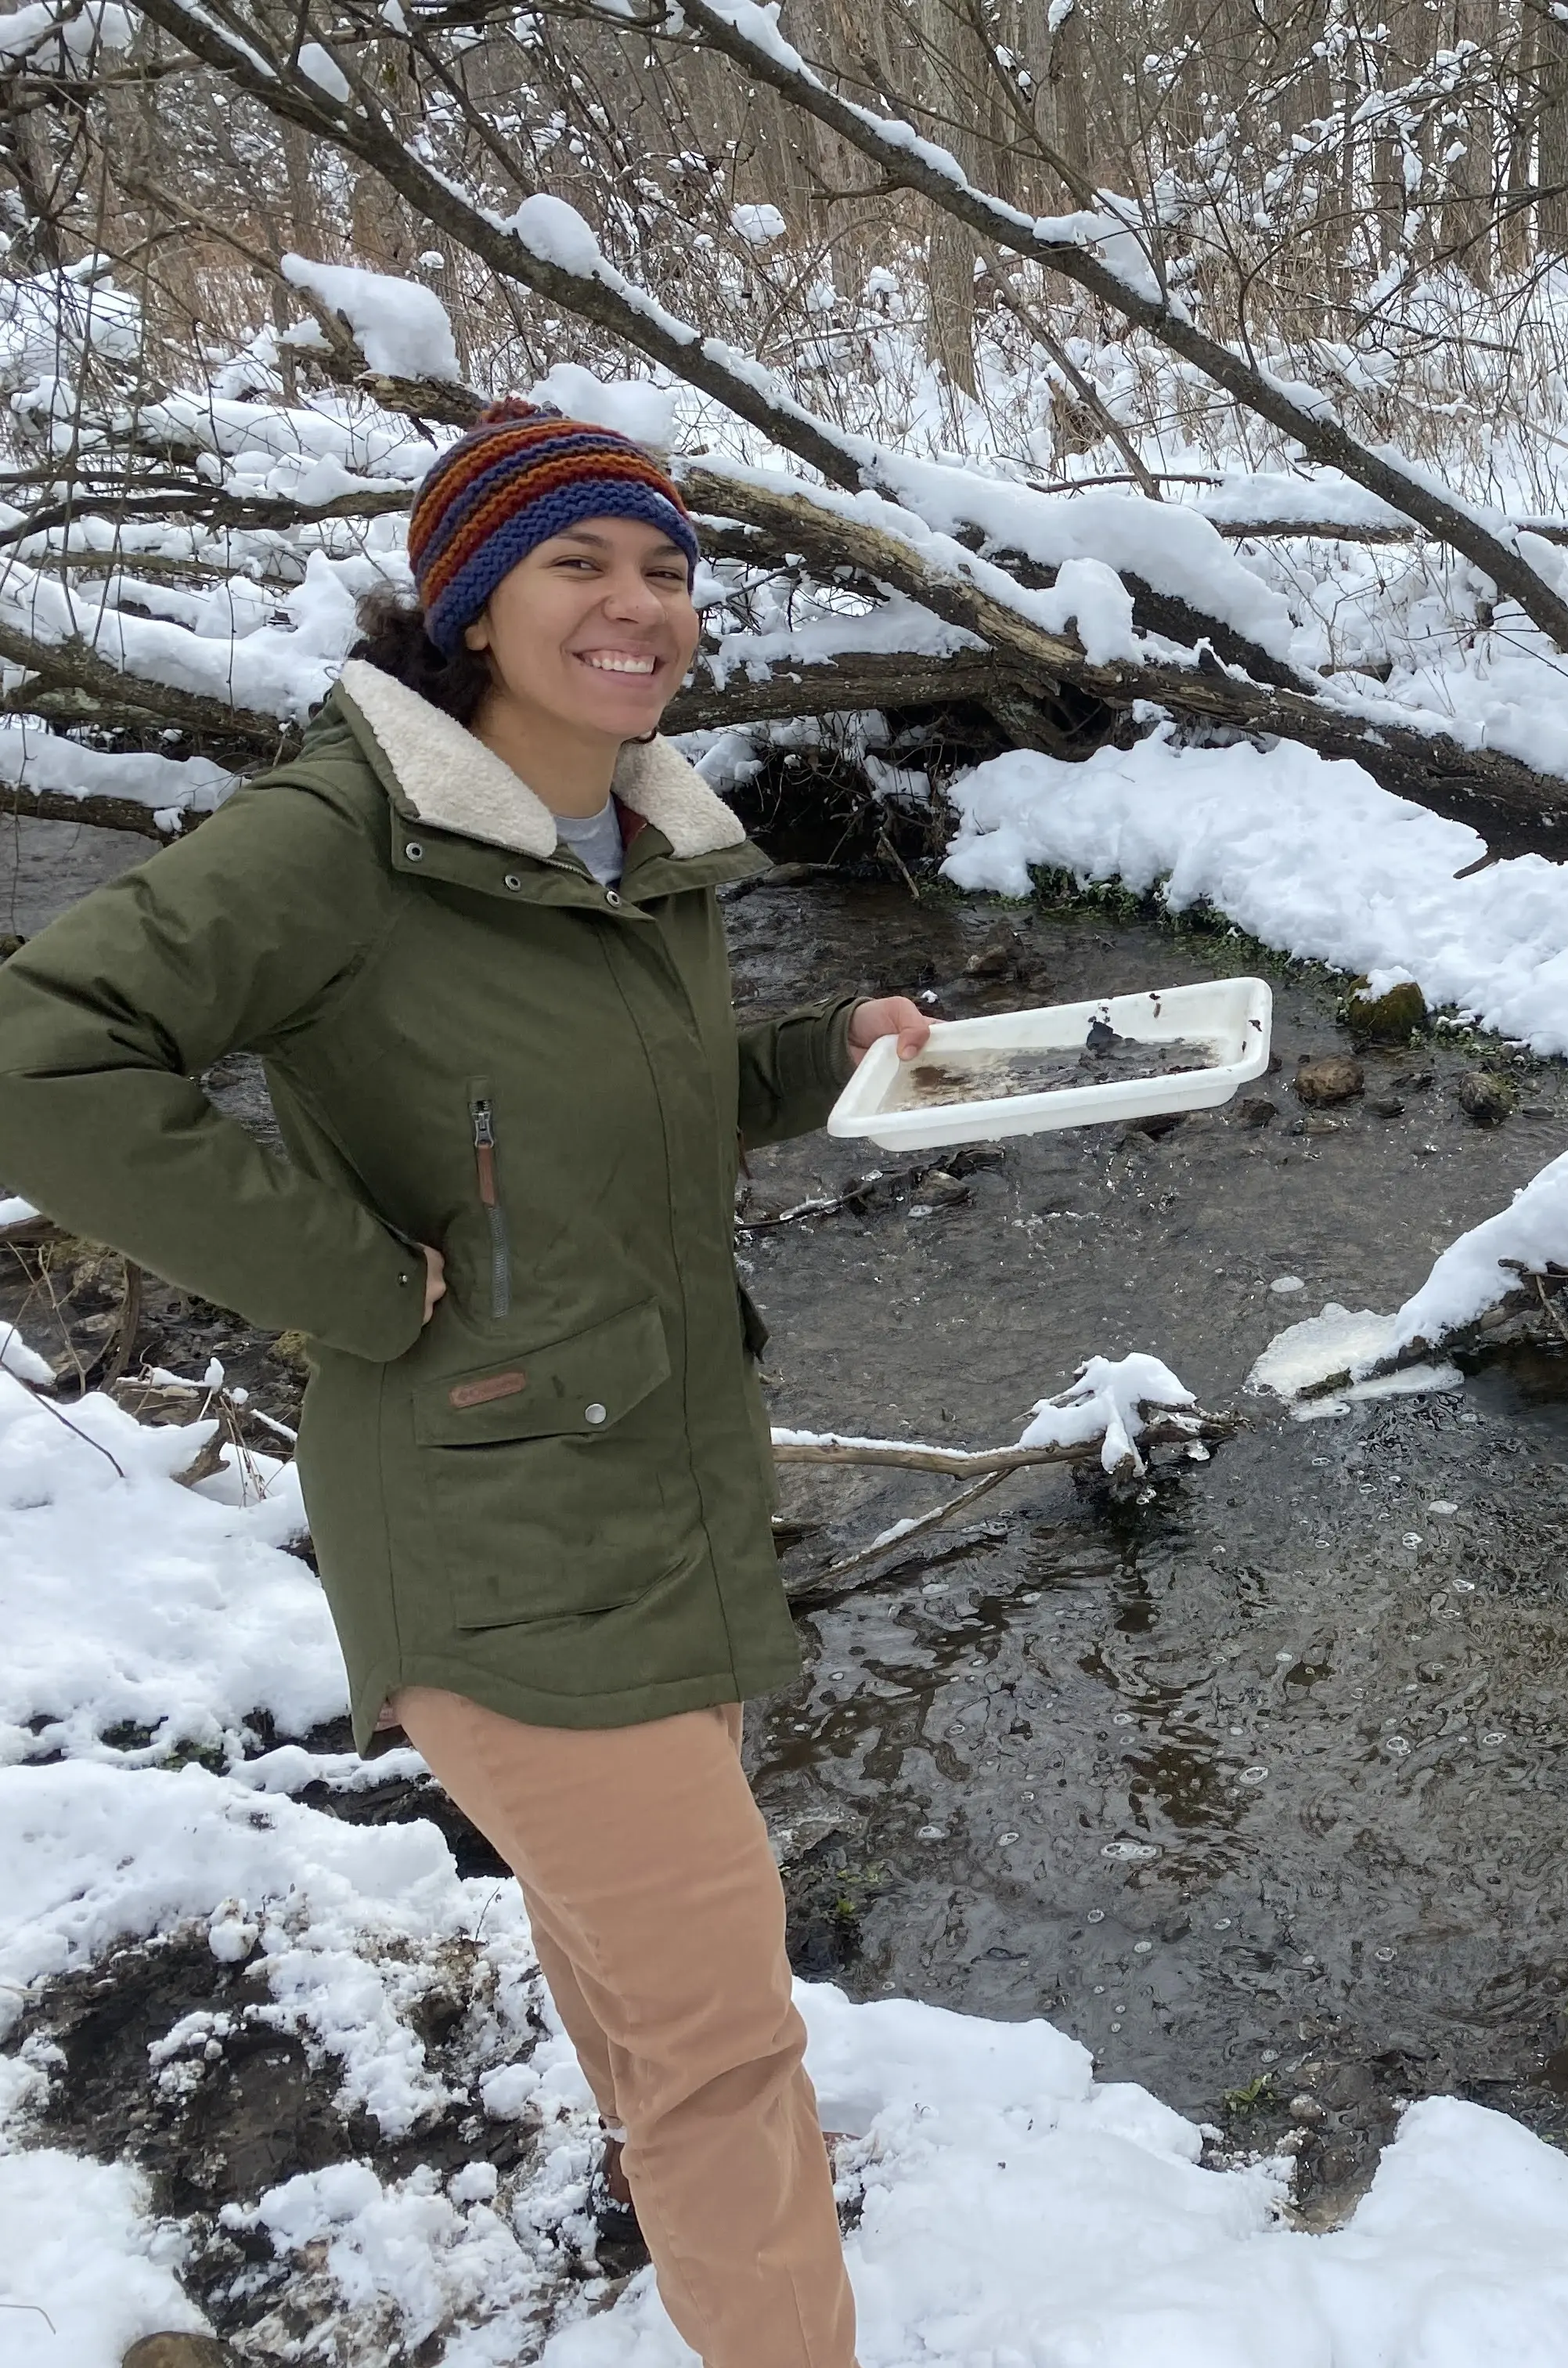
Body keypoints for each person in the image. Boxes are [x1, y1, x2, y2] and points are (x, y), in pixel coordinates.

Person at [0, 399, 932, 2367]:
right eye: (579, 563)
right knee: (725, 2040)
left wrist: (817, 1057)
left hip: (650, 1485)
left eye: (667, 568)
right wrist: (342, 1279)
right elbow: (40, 1051)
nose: (636, 605)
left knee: (644, 1964)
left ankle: (668, 2234)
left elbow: (603, 1124)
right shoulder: (342, 836)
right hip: (488, 1527)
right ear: (473, 603)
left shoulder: (625, 825)